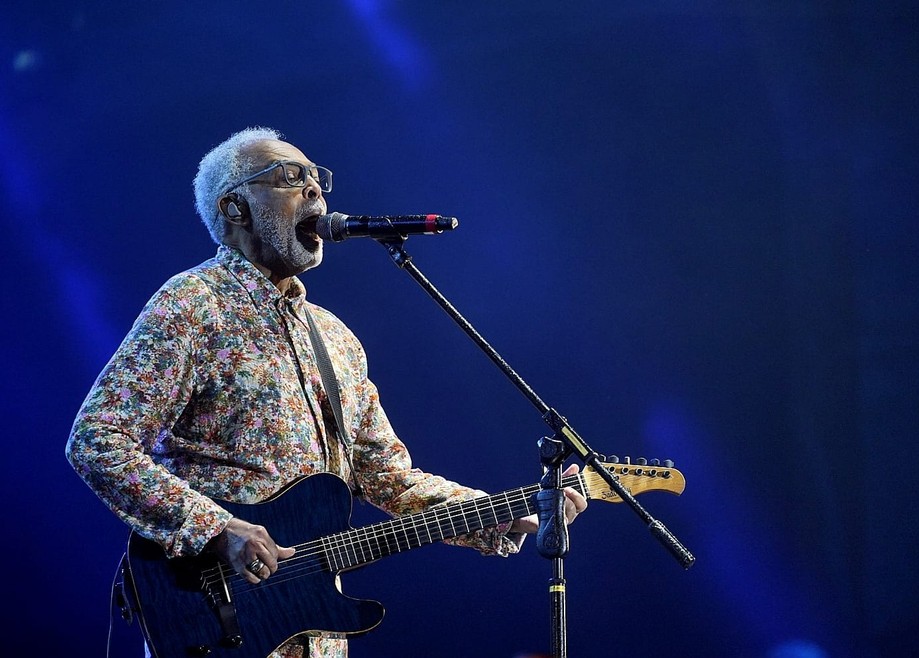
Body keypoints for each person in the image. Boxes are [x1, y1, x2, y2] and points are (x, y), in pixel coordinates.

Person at [66, 126, 587, 658]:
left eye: (318, 179)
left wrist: (504, 511)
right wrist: (216, 527)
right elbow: (97, 440)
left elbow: (388, 477)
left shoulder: (335, 338)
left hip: (314, 634)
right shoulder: (193, 305)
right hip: (214, 621)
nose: (316, 190)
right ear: (235, 207)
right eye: (292, 178)